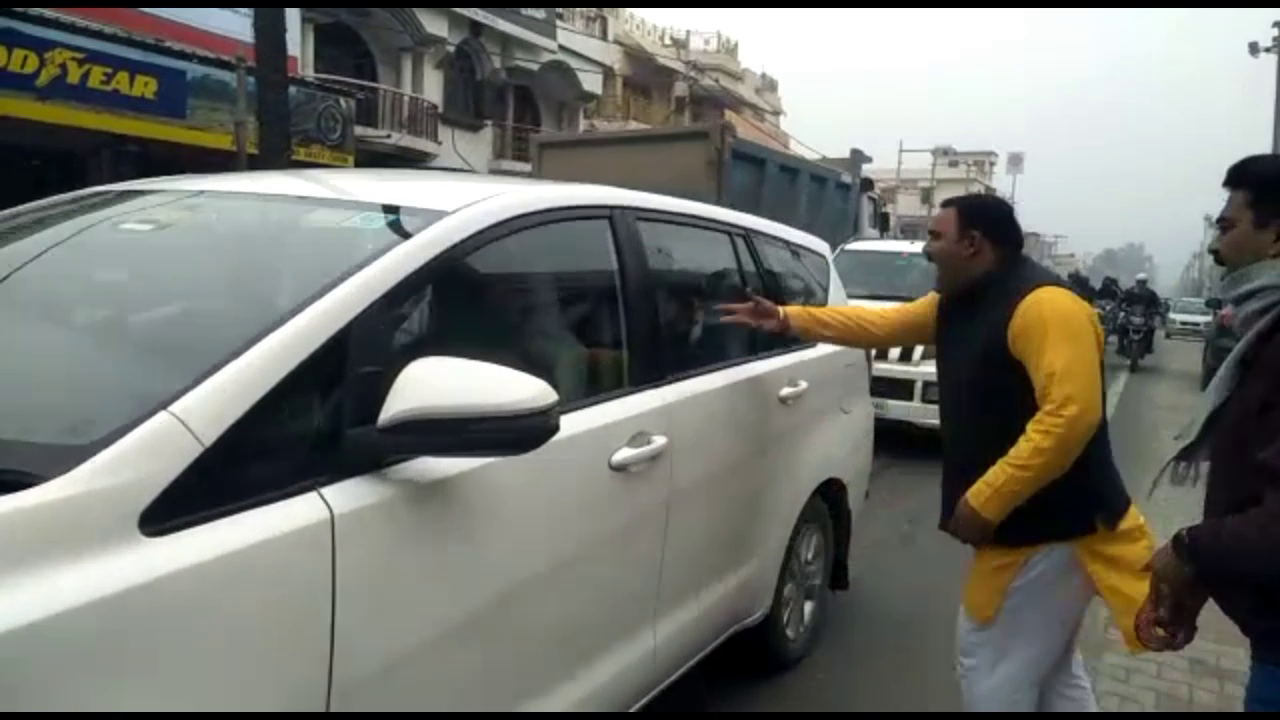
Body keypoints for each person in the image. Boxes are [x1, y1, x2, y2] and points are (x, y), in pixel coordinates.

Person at [719, 193, 1156, 712]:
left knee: (988, 659)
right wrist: (788, 318)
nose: (926, 250)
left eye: (935, 236)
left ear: (973, 245)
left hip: (1050, 530)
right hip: (1041, 530)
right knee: (1049, 666)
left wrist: (987, 499)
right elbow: (880, 327)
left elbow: (1071, 416)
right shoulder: (962, 301)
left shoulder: (1045, 306)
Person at [1140, 154, 1280, 712]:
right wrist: (1204, 576)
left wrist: (1189, 551)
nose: (1217, 249)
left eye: (1228, 227)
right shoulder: (1264, 335)